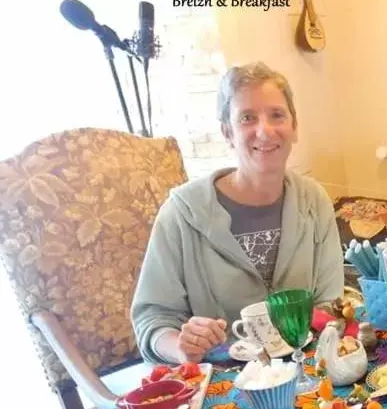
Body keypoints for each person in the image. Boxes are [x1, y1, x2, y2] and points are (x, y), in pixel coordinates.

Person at [131, 62, 344, 365]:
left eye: (277, 115)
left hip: (307, 371)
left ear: (294, 127)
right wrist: (183, 346)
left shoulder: (314, 201)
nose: (264, 130)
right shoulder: (181, 214)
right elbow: (153, 318)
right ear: (227, 132)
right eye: (247, 118)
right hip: (223, 383)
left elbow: (329, 301)